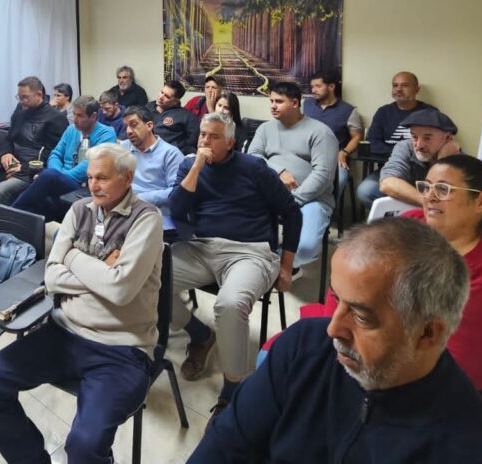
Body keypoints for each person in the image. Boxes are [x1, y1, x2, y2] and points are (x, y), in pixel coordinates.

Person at [187, 219, 482, 463]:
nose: (333, 328)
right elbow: (227, 444)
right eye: (337, 299)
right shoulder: (304, 347)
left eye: (361, 316)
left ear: (427, 333)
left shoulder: (473, 450)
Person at [0, 143, 163, 464]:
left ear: (128, 178)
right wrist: (100, 272)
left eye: (102, 178)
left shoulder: (146, 219)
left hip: (120, 349)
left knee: (84, 446)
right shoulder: (79, 210)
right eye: (90, 177)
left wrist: (71, 257)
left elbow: (120, 290)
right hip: (63, 333)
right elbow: (52, 277)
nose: (93, 185)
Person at [169, 113, 301, 418]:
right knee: (149, 277)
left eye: (214, 137)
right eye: (202, 135)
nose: (205, 141)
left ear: (230, 142)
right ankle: (200, 334)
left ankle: (232, 390)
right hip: (201, 247)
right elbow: (176, 208)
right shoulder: (190, 166)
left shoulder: (254, 168)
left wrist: (286, 266)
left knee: (229, 304)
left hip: (250, 252)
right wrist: (197, 167)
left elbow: (292, 213)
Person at [408, 154, 482, 402]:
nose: (429, 196)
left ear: (481, 201)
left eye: (443, 189)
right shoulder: (412, 223)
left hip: (437, 399)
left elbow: (455, 372)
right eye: (426, 187)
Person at [248, 81, 338, 269]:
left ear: (295, 103)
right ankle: (264, 267)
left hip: (311, 200)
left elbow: (323, 175)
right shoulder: (265, 129)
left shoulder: (320, 132)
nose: (273, 106)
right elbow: (253, 157)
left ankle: (279, 267)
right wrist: (279, 171)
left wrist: (290, 202)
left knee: (305, 249)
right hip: (268, 195)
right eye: (271, 101)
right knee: (237, 231)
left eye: (279, 101)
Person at [0, 76, 68, 217]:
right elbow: (9, 138)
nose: (21, 101)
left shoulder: (56, 118)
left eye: (25, 97)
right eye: (19, 97)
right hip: (13, 165)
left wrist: (23, 169)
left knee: (2, 190)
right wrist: (6, 153)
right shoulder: (20, 111)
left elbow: (53, 154)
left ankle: (4, 227)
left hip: (33, 172)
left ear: (39, 95)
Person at [12, 96, 117, 222]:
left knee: (47, 177)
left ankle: (9, 215)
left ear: (93, 116)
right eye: (74, 114)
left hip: (84, 186)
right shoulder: (71, 129)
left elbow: (91, 164)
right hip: (61, 180)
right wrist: (57, 175)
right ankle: (16, 224)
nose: (75, 119)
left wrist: (58, 176)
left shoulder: (106, 134)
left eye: (80, 116)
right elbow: (55, 154)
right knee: (36, 204)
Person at [357, 72, 436, 208]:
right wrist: (401, 153)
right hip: (390, 169)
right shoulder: (383, 112)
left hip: (423, 173)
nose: (398, 89)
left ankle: (415, 213)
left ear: (417, 89)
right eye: (395, 85)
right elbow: (373, 143)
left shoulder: (430, 113)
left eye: (404, 85)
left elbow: (435, 145)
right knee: (365, 191)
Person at [379, 108, 461, 207]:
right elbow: (387, 183)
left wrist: (443, 162)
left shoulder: (458, 157)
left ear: (447, 138)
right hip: (417, 204)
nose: (418, 145)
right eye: (414, 137)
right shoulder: (406, 146)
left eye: (427, 138)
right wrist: (428, 202)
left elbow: (453, 199)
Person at [303, 69, 362, 194]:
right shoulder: (305, 105)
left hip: (333, 160)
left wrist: (344, 152)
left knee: (340, 180)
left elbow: (357, 137)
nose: (313, 90)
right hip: (306, 157)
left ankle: (327, 206)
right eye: (312, 87)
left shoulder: (349, 110)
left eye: (318, 86)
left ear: (331, 86)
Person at [120, 105, 185, 209]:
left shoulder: (170, 154)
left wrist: (138, 198)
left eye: (133, 125)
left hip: (155, 210)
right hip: (124, 206)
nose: (128, 131)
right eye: (126, 126)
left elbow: (177, 191)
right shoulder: (122, 148)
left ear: (149, 126)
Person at [147, 80, 201, 155]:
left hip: (168, 154)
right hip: (143, 150)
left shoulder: (186, 116)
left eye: (167, 96)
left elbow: (192, 144)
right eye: (162, 92)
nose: (161, 97)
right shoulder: (147, 107)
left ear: (175, 101)